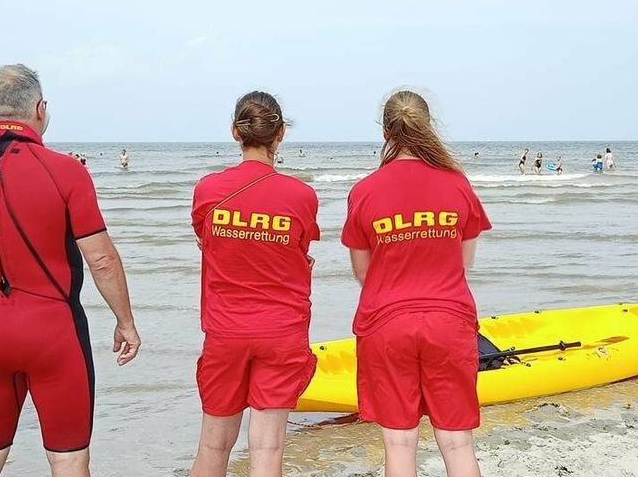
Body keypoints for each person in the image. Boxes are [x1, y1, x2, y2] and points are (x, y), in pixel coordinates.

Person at [0, 64, 140, 477]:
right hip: (53, 331)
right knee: (68, 458)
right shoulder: (67, 170)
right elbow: (102, 258)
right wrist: (125, 322)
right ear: (40, 109)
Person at [342, 90, 490, 477]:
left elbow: (363, 271)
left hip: (387, 323)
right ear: (427, 126)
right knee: (457, 443)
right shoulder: (457, 184)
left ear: (386, 132)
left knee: (399, 443)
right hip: (448, 320)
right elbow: (464, 261)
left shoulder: (364, 191)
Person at [190, 91, 319, 477]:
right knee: (267, 446)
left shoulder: (208, 190)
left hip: (226, 329)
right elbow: (297, 249)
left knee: (214, 444)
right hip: (281, 330)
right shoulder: (302, 195)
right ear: (279, 135)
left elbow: (206, 240)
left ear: (235, 132)